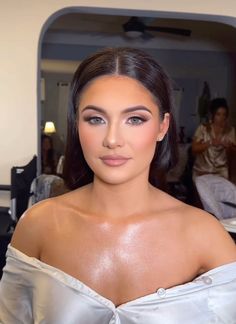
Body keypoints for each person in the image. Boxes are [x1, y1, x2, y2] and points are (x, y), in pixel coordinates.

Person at [0, 48, 236, 323]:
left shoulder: (205, 235)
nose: (112, 139)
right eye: (95, 119)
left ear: (162, 126)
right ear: (77, 125)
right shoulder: (38, 225)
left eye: (135, 119)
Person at [192, 97, 236, 180]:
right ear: (212, 115)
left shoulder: (230, 130)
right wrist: (210, 143)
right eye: (218, 114)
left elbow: (234, 152)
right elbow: (194, 149)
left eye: (224, 114)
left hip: (221, 173)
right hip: (202, 171)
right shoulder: (203, 129)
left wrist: (229, 147)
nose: (221, 118)